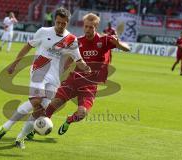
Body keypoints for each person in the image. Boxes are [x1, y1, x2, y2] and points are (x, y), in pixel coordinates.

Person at [24, 13, 130, 143]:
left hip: (90, 85)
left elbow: (127, 49)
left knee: (81, 114)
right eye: (86, 26)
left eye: (91, 27)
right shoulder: (77, 41)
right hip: (74, 79)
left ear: (96, 27)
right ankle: (35, 129)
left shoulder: (105, 40)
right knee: (54, 104)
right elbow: (69, 59)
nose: (87, 29)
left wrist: (119, 45)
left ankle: (69, 120)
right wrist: (61, 71)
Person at [0, 7, 90, 149]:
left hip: (54, 76)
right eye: (58, 22)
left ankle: (20, 138)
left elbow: (78, 59)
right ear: (54, 21)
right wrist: (15, 64)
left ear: (67, 23)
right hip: (39, 70)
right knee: (36, 101)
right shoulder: (43, 31)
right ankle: (5, 127)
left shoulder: (71, 40)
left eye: (63, 23)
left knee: (42, 108)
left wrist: (86, 67)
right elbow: (27, 47)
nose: (60, 26)